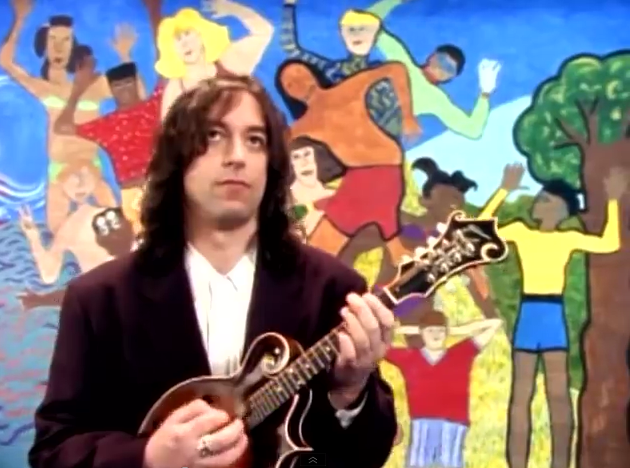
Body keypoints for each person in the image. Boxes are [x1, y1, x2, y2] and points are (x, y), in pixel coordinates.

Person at [29, 75, 398, 468]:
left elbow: (366, 457)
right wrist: (148, 457)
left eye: (255, 140)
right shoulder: (99, 299)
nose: (237, 156)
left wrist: (350, 391)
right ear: (178, 159)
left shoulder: (334, 288)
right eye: (215, 136)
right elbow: (54, 450)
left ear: (271, 167)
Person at [478, 163, 627, 468]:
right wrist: (504, 190)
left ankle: (560, 464)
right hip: (530, 313)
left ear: (561, 211)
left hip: (551, 314)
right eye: (539, 197)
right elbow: (481, 231)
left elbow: (609, 243)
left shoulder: (567, 237)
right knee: (521, 396)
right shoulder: (520, 231)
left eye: (545, 199)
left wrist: (613, 201)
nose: (537, 202)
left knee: (558, 396)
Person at [386, 311, 502, 468]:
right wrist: (406, 329)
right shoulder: (409, 357)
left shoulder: (461, 353)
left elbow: (495, 323)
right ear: (422, 333)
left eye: (440, 331)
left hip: (453, 423)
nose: (435, 335)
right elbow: (380, 348)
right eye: (430, 331)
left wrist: (456, 330)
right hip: (421, 423)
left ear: (446, 332)